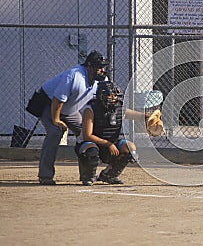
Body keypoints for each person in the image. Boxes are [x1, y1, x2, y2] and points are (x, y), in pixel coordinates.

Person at [37, 50, 109, 185]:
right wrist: (56, 120)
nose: (102, 70)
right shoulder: (74, 76)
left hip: (71, 110)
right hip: (50, 105)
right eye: (99, 67)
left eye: (103, 67)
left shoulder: (101, 80)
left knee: (86, 134)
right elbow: (57, 99)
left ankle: (87, 175)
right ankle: (45, 175)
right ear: (89, 66)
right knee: (55, 132)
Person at [75, 81, 153, 186]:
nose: (112, 98)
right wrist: (109, 144)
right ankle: (89, 176)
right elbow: (87, 135)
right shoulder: (90, 109)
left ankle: (109, 175)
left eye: (115, 95)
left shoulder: (119, 108)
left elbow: (139, 116)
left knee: (130, 149)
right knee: (92, 151)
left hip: (111, 143)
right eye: (109, 95)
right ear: (100, 96)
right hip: (91, 143)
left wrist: (151, 117)